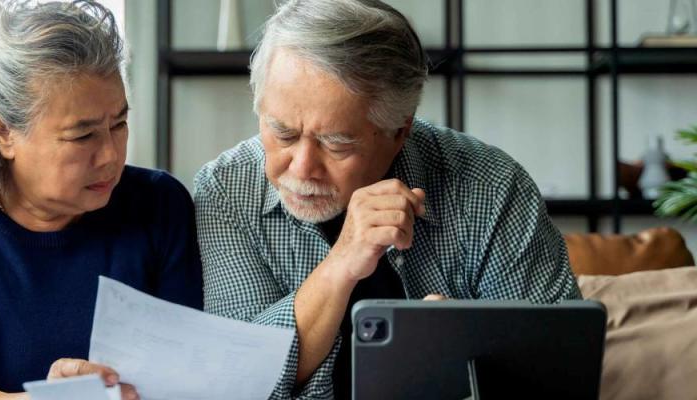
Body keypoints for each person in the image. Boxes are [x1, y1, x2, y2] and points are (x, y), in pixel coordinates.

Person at [193, 0, 581, 399]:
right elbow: (236, 383)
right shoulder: (226, 190)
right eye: (283, 133)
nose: (303, 167)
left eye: (336, 144)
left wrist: (465, 353)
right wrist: (341, 263)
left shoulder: (491, 186)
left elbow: (560, 372)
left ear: (399, 131)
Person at [0, 1, 202, 399]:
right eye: (82, 135)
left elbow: (191, 370)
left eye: (119, 124)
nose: (110, 154)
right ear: (3, 132)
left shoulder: (160, 206)